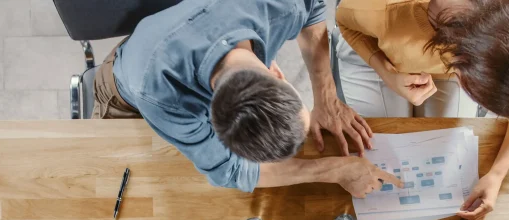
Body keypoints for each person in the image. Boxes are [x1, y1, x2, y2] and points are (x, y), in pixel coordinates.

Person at [94, 0, 403, 198]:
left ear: (276, 73)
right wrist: (336, 170)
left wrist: (326, 96)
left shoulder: (278, 4)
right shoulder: (161, 92)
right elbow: (229, 171)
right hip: (124, 96)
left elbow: (314, 8)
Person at [335, 0, 509, 220]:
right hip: (371, 42)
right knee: (381, 144)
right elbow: (345, 22)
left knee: (441, 147)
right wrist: (386, 72)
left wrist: (497, 172)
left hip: (441, 56)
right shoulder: (387, 11)